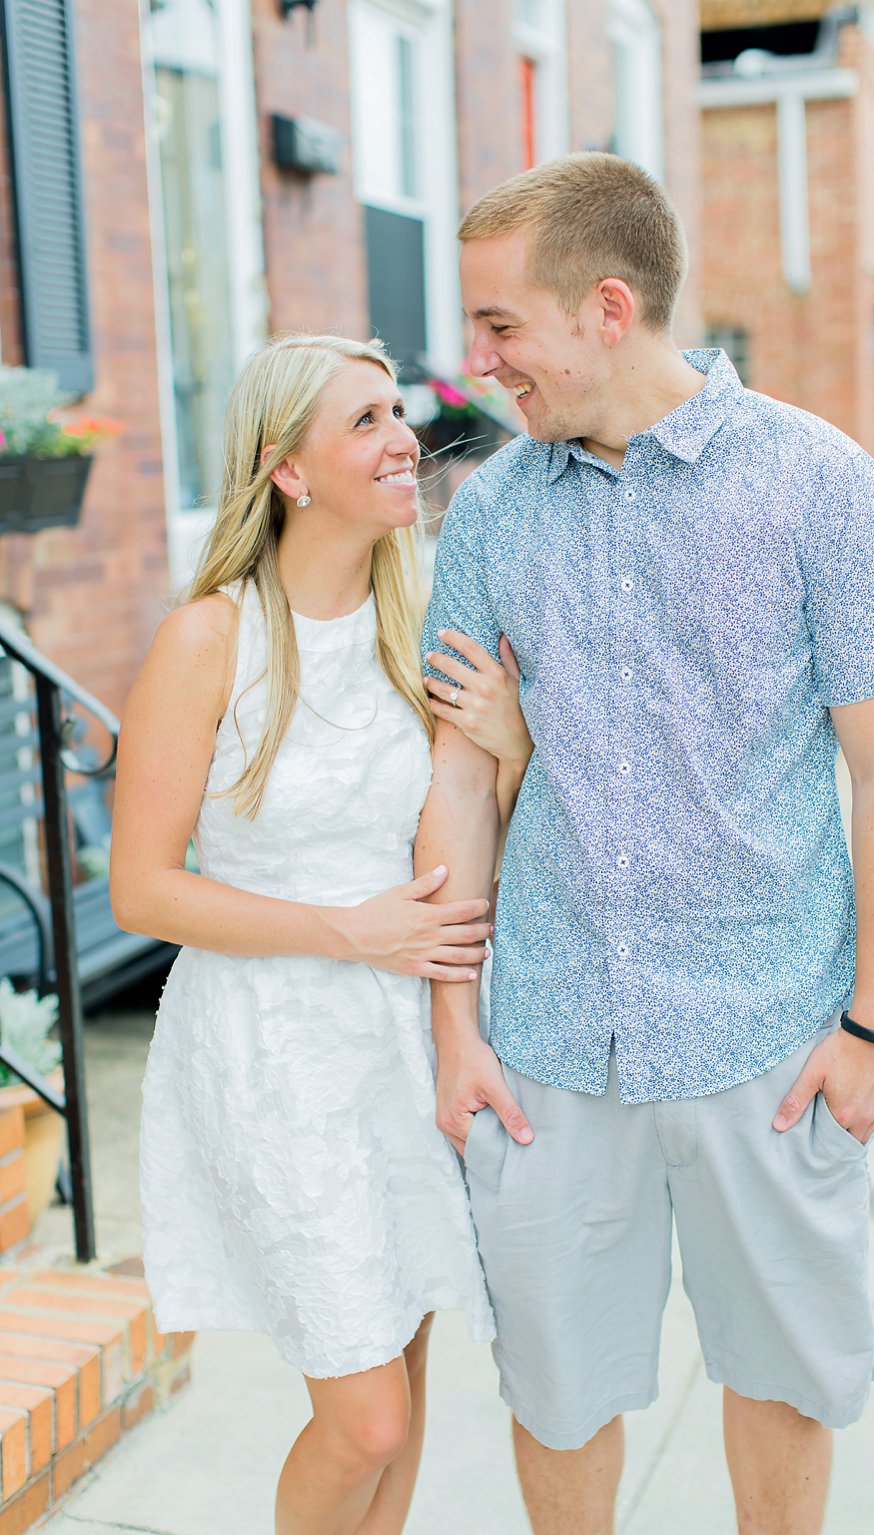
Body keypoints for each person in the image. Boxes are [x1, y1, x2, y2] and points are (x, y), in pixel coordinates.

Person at [416, 151, 874, 1535]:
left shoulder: (818, 481)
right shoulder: (489, 513)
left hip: (770, 1033)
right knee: (555, 1385)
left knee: (781, 1375)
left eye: (499, 325)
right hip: (546, 1036)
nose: (477, 362)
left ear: (607, 306)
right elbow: (463, 784)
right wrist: (454, 1029)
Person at [111, 334, 533, 1535]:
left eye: (396, 412)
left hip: (409, 1034)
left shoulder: (427, 619)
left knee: (406, 1377)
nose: (403, 438)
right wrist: (343, 930)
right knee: (366, 1419)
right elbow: (141, 888)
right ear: (284, 467)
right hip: (273, 1046)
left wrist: (510, 744)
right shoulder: (213, 636)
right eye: (363, 421)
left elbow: (470, 832)